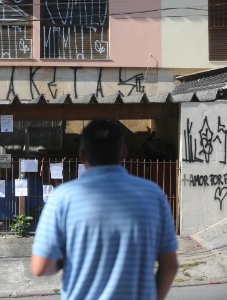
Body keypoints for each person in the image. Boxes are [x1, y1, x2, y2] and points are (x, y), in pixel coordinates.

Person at [31, 119, 178, 300]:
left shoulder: (62, 198)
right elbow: (170, 266)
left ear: (82, 155)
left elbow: (40, 267)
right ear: (123, 153)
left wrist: (65, 258)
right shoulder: (153, 195)